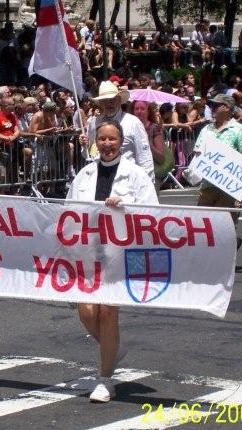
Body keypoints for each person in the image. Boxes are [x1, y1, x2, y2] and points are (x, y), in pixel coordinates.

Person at [69, 120, 158, 402]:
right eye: (102, 139)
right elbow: (69, 210)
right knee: (86, 311)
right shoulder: (84, 174)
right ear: (96, 141)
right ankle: (113, 347)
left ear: (121, 142)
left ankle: (105, 379)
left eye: (113, 139)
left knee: (108, 310)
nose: (107, 144)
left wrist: (125, 207)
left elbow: (152, 213)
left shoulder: (135, 175)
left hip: (120, 251)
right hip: (89, 249)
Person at [194, 94, 242, 249]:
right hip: (208, 185)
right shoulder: (206, 129)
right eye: (211, 106)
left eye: (216, 106)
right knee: (202, 223)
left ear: (227, 108)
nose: (212, 109)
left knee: (225, 226)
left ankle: (228, 250)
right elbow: (197, 152)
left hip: (230, 188)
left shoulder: (239, 130)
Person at [87, 81, 154, 181]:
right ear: (100, 103)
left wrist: (148, 185)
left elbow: (145, 157)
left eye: (112, 99)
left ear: (119, 100)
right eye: (105, 100)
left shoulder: (133, 123)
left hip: (127, 180)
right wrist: (84, 147)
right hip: (101, 178)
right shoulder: (94, 122)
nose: (109, 103)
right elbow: (91, 153)